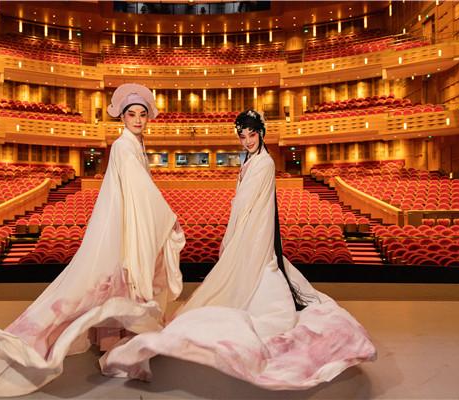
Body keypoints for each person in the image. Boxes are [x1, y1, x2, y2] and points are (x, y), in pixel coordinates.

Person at [0, 83, 185, 397]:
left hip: (124, 226)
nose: (138, 119)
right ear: (122, 117)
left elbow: (138, 192)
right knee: (111, 285)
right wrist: (167, 216)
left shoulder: (134, 145)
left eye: (142, 114)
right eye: (132, 114)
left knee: (114, 286)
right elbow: (141, 191)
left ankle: (115, 345)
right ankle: (115, 350)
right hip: (122, 228)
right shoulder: (124, 147)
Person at [101, 109, 377, 390]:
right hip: (246, 229)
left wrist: (234, 239)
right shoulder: (250, 160)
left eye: (252, 134)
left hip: (253, 232)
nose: (247, 141)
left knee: (255, 285)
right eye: (242, 136)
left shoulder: (264, 163)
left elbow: (247, 206)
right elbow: (241, 203)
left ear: (262, 133)